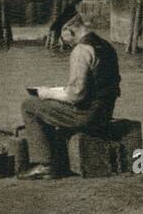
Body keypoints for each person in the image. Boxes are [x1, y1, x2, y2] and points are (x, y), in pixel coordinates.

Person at [20, 12, 121, 180]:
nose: (63, 42)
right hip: (105, 112)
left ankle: (45, 164)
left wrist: (46, 93)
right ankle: (56, 156)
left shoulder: (81, 50)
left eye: (62, 35)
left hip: (87, 115)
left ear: (69, 30)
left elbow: (76, 96)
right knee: (49, 101)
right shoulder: (106, 46)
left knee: (29, 105)